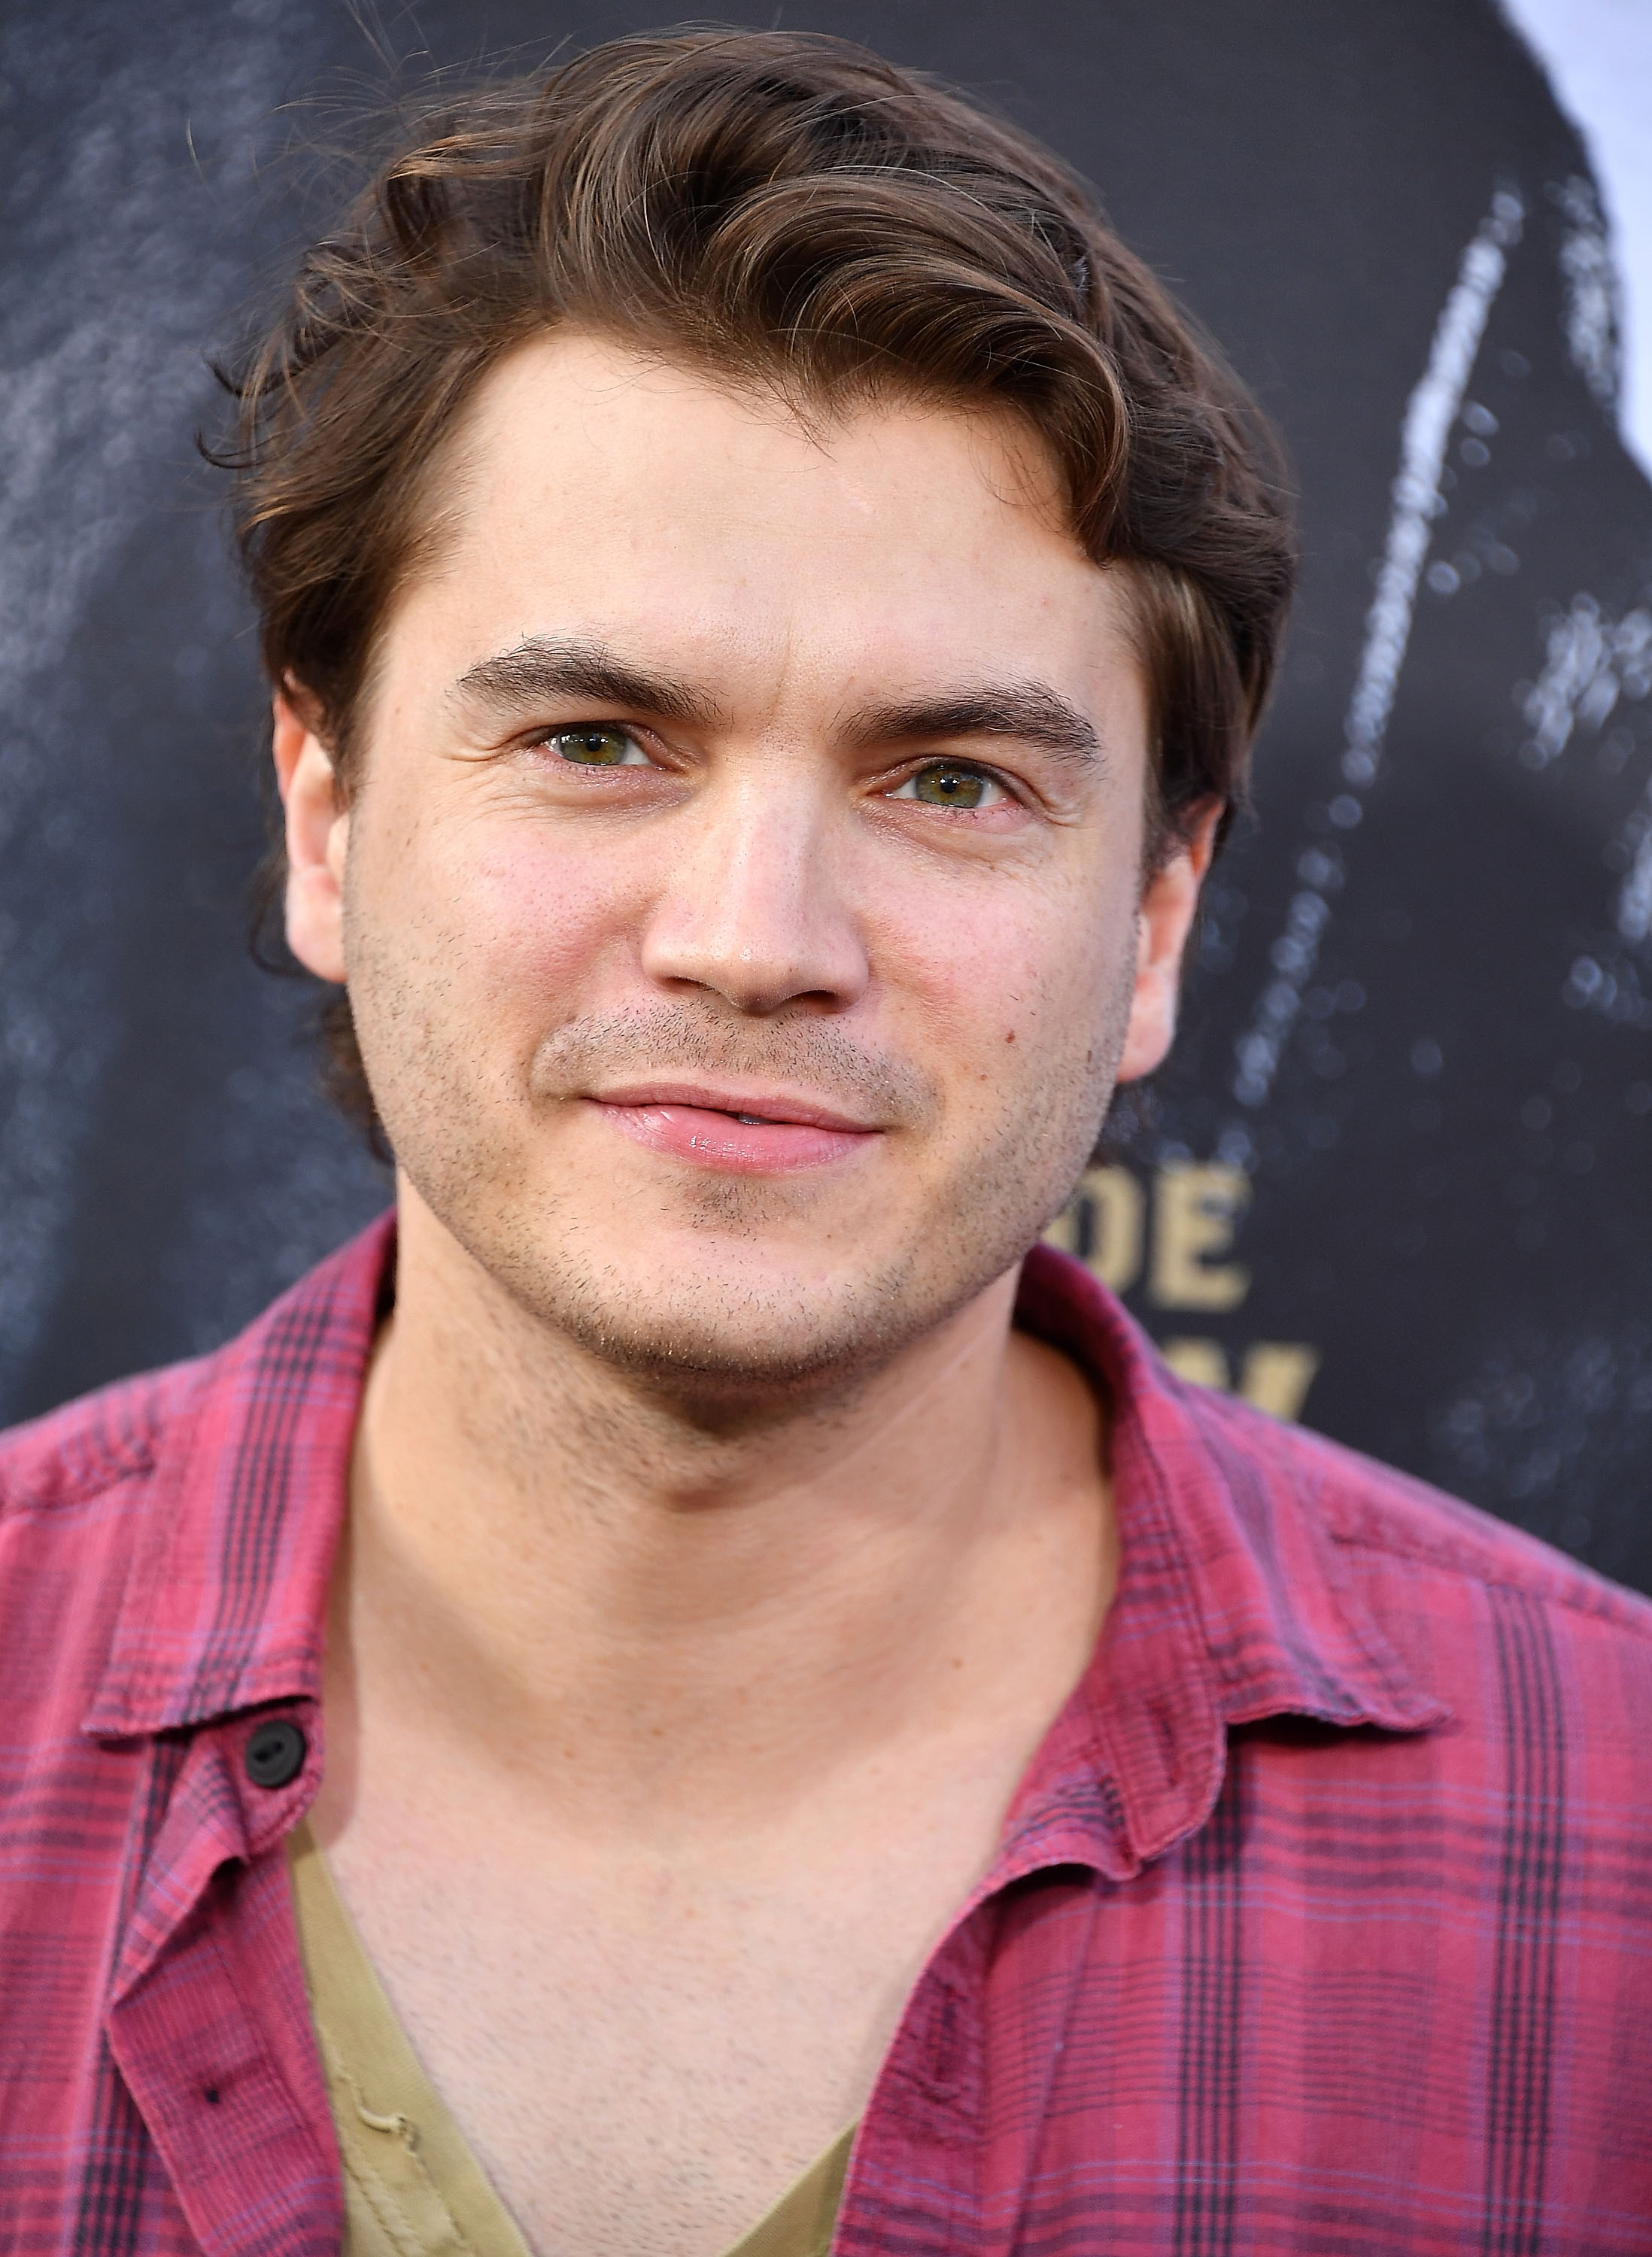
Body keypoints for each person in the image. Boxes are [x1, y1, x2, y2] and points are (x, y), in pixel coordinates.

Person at [2, 28, 1648, 2255]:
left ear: (1154, 922)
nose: (755, 942)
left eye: (950, 781)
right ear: (326, 813)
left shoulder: (1605, 1842)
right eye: (596, 740)